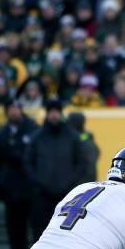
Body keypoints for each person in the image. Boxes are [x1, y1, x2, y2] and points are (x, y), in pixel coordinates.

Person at [24, 100, 84, 240]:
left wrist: (71, 183)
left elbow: (81, 163)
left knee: (66, 235)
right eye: (51, 111)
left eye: (57, 111)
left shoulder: (72, 137)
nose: (54, 115)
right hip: (41, 195)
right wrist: (38, 182)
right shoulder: (37, 137)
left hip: (67, 196)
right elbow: (27, 162)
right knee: (40, 234)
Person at [0, 100, 39, 249]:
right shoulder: (3, 134)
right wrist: (1, 178)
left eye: (16, 108)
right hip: (12, 191)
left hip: (31, 190)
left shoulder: (32, 129)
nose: (14, 112)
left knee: (36, 228)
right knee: (15, 229)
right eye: (10, 109)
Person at [67, 111, 100, 183]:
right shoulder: (87, 138)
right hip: (91, 176)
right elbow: (97, 152)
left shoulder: (74, 139)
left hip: (79, 180)